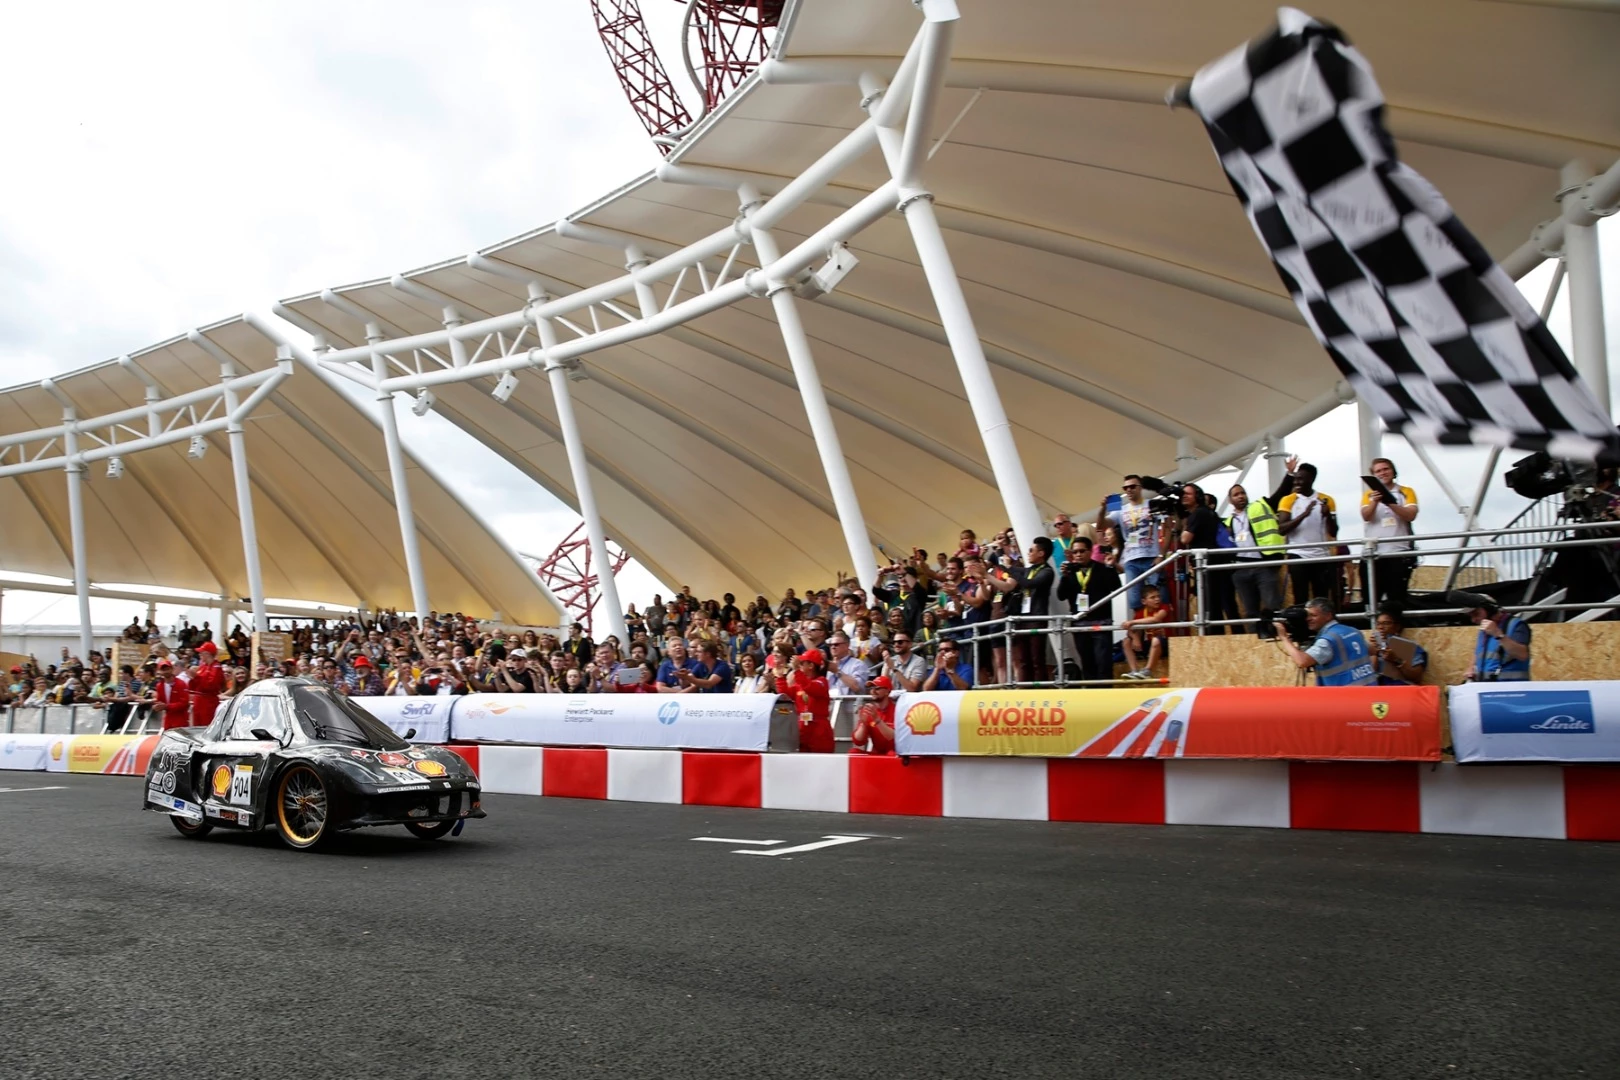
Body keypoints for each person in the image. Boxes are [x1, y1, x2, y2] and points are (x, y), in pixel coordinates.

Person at [987, 535, 1056, 683]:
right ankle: (1025, 690)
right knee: (1023, 659)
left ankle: (1040, 690)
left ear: (1041, 553)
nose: (1028, 552)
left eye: (1032, 550)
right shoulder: (1029, 569)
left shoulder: (1047, 572)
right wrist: (1000, 554)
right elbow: (1018, 573)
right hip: (1022, 618)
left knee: (1037, 659)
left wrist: (1010, 567)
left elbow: (1029, 583)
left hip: (1036, 619)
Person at [1225, 477, 1289, 632]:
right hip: (1241, 570)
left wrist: (1289, 475)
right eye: (1236, 494)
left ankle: (1276, 637)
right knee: (1250, 611)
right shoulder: (1227, 522)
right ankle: (1254, 640)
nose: (1241, 496)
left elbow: (1279, 495)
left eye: (1243, 493)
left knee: (1272, 606)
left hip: (1263, 566)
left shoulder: (1260, 506)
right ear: (1230, 500)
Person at [1057, 535, 1123, 685]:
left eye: (1082, 551)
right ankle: (1091, 696)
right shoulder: (1070, 571)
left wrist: (1111, 567)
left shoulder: (1102, 567)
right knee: (1087, 664)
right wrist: (1064, 576)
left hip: (1101, 623)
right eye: (1075, 552)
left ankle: (1105, 699)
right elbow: (1061, 595)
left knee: (1103, 664)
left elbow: (1116, 588)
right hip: (1080, 625)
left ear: (1090, 551)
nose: (1078, 555)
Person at [1277, 458, 1339, 604]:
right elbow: (1281, 529)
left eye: (1300, 479)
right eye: (1296, 479)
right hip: (1297, 555)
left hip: (1320, 555)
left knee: (1321, 598)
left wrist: (1328, 515)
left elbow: (1334, 532)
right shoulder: (1288, 500)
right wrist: (1304, 514)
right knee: (1300, 597)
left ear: (1311, 479)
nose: (1296, 483)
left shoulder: (1326, 499)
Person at [1360, 457, 1419, 609]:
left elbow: (1410, 514)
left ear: (1393, 471)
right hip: (1373, 552)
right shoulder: (1369, 495)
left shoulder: (1406, 491)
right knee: (1370, 598)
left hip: (1398, 552)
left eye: (1386, 469)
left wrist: (1390, 502)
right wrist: (1375, 501)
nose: (1383, 473)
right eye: (1378, 471)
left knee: (1396, 598)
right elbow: (1366, 516)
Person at [1275, 598, 1376, 686]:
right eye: (1307, 615)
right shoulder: (1352, 631)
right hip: (1369, 693)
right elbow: (1372, 650)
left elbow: (1302, 661)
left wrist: (1284, 638)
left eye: (1313, 615)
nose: (1308, 619)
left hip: (1345, 699)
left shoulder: (1327, 640)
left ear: (1328, 616)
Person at [1096, 475, 1162, 610]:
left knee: (1156, 599)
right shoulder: (1121, 510)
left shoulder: (1151, 504)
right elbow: (1100, 525)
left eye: (1132, 486)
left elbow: (1167, 528)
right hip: (1131, 559)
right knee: (1134, 600)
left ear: (1140, 488)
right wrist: (1103, 508)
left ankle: (1156, 630)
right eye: (1126, 488)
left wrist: (1161, 555)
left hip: (1151, 556)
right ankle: (1141, 629)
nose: (1129, 490)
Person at [1456, 592, 1531, 682]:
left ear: (1490, 609)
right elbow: (1479, 652)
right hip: (1488, 688)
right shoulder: (1485, 629)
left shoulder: (1516, 625)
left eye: (1476, 614)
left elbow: (1522, 655)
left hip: (1512, 690)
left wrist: (1498, 634)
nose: (1473, 620)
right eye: (1471, 616)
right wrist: (1471, 667)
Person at [776, 648, 833, 753]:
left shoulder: (822, 682)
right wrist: (780, 677)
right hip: (802, 728)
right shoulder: (799, 684)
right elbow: (785, 695)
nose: (799, 666)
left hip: (818, 730)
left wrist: (797, 671)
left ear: (811, 666)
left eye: (802, 663)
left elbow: (811, 688)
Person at [1121, 585, 1171, 680]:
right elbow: (1130, 631)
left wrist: (1132, 621)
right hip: (1151, 644)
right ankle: (1134, 671)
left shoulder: (1164, 607)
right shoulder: (1140, 612)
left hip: (1166, 643)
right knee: (1126, 641)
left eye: (1158, 596)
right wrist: (1135, 638)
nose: (1157, 599)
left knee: (1156, 640)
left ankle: (1148, 670)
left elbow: (1156, 619)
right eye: (1153, 597)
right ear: (1144, 601)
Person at [1372, 610, 1427, 687]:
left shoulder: (1410, 647)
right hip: (1379, 691)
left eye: (1386, 623)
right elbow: (1369, 674)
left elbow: (1416, 677)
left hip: (1402, 689)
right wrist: (1374, 653)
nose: (1381, 627)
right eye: (1378, 624)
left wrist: (1396, 660)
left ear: (1397, 627)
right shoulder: (1373, 648)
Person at [851, 676, 896, 755]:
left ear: (887, 691)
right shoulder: (868, 710)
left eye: (877, 688)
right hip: (877, 753)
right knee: (854, 752)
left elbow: (893, 738)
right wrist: (863, 724)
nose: (873, 691)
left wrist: (877, 720)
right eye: (871, 688)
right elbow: (858, 741)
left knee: (891, 753)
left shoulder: (897, 710)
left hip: (895, 753)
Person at [188, 640, 227, 727]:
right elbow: (195, 687)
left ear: (208, 654)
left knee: (205, 726)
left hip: (208, 702)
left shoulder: (216, 667)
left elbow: (211, 686)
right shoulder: (203, 666)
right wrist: (192, 678)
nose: (199, 655)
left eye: (201, 653)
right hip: (199, 701)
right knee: (196, 727)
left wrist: (196, 677)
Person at [825, 633, 870, 698]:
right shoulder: (830, 666)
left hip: (848, 705)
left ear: (847, 645)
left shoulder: (858, 664)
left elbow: (857, 687)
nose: (833, 647)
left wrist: (837, 671)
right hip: (831, 704)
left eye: (836, 644)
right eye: (830, 645)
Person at [150, 660, 192, 729]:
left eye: (167, 669)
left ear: (172, 669)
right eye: (163, 670)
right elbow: (160, 701)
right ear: (160, 671)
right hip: (168, 721)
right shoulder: (160, 686)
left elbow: (184, 703)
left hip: (180, 720)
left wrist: (167, 706)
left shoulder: (181, 684)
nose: (166, 671)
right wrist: (156, 706)